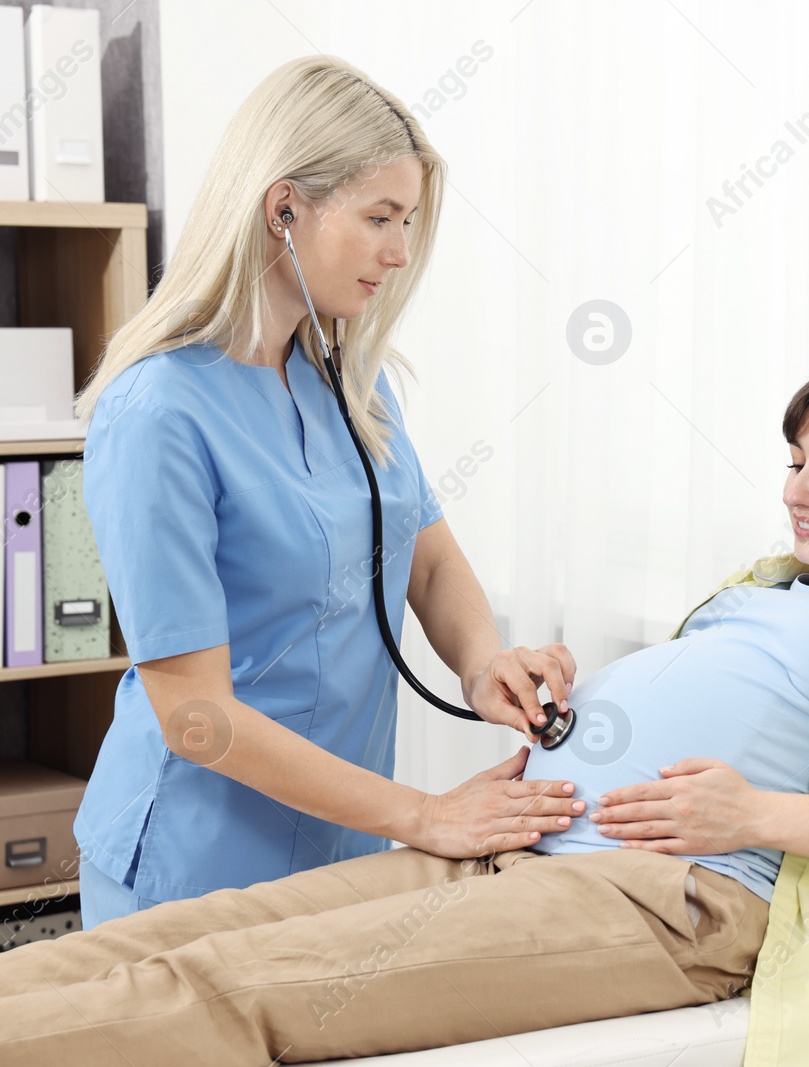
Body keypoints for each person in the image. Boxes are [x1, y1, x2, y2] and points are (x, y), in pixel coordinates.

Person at [0, 358, 809, 1067]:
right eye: (794, 463)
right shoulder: (763, 587)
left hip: (660, 897)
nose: (799, 491)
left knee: (234, 985)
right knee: (180, 935)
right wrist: (561, 697)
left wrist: (756, 815)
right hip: (518, 836)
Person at [68, 55, 581, 928]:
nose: (401, 251)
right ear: (283, 209)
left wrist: (484, 659)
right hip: (195, 862)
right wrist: (424, 814)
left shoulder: (352, 387)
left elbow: (428, 559)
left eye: (409, 220)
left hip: (342, 844)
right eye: (380, 217)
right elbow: (195, 716)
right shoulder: (159, 412)